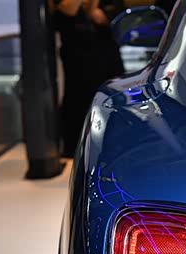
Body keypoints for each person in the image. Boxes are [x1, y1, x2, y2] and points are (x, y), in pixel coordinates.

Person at [56, 0, 124, 157]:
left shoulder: (104, 8)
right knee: (78, 105)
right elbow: (67, 11)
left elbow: (106, 19)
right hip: (79, 67)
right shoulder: (66, 8)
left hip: (107, 65)